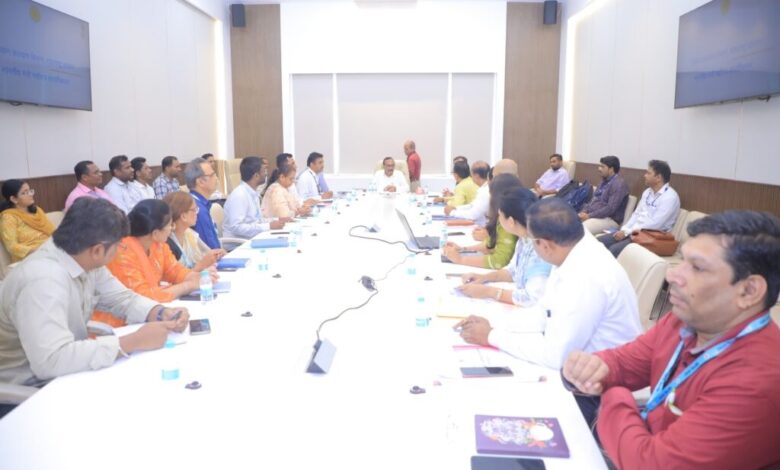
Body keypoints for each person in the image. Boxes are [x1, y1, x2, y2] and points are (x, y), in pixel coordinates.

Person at [562, 210, 780, 469]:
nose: (672, 276)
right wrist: (589, 367)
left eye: (697, 268)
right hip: (642, 438)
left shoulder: (757, 381)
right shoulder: (686, 321)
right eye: (683, 261)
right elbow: (626, 362)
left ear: (749, 291)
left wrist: (613, 396)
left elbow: (650, 464)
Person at [0, 197, 190, 389]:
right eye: (119, 246)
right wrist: (131, 342)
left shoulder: (81, 255)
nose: (119, 251)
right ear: (98, 250)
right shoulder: (43, 281)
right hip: (31, 388)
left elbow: (121, 298)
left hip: (69, 370)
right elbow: (50, 360)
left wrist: (159, 312)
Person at [456, 198, 641, 370]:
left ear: (545, 245)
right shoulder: (570, 248)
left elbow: (557, 356)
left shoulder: (585, 275)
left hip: (605, 378)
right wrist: (493, 323)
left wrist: (491, 336)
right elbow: (544, 312)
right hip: (582, 363)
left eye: (531, 241)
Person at [458, 188, 552, 307]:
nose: (499, 219)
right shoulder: (524, 239)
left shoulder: (540, 248)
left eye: (500, 216)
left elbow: (532, 298)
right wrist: (484, 277)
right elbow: (512, 271)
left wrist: (489, 292)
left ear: (511, 221)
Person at [106, 199, 214, 303]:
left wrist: (199, 277)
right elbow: (143, 297)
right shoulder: (123, 252)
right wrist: (188, 286)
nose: (172, 228)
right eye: (169, 225)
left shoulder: (158, 244)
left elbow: (175, 271)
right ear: (155, 233)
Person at [598, 160, 681, 257]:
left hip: (651, 237)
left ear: (658, 178)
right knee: (600, 242)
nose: (644, 175)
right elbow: (636, 214)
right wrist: (624, 230)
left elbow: (655, 224)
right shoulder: (647, 192)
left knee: (614, 250)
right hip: (634, 232)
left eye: (648, 173)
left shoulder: (670, 197)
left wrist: (627, 232)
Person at [442, 173, 522, 269]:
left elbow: (499, 261)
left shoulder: (508, 221)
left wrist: (460, 259)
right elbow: (489, 245)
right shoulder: (503, 215)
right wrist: (462, 249)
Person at [223, 156, 287, 239]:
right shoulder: (239, 195)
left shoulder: (253, 193)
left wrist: (278, 220)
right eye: (263, 171)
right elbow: (236, 227)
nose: (266, 174)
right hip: (239, 243)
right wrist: (268, 226)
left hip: (253, 238)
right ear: (256, 175)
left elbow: (258, 220)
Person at [163, 191, 225, 271]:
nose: (197, 213)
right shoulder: (166, 242)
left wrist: (216, 254)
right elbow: (176, 277)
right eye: (194, 210)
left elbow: (207, 252)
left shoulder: (189, 233)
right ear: (183, 216)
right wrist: (202, 265)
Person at [0, 180, 55, 262]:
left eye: (30, 191)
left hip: (50, 250)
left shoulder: (37, 210)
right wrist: (40, 250)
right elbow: (12, 247)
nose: (30, 194)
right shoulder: (8, 218)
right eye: (24, 193)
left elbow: (53, 231)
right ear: (14, 199)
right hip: (29, 258)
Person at [579, 155, 630, 234]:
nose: (599, 169)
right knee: (570, 222)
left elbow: (610, 209)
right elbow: (594, 200)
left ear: (611, 169)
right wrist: (584, 211)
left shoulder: (619, 184)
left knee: (581, 230)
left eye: (602, 167)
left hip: (609, 219)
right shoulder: (603, 181)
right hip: (595, 215)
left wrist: (589, 216)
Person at [184, 157, 221, 249]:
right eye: (212, 175)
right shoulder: (197, 209)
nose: (216, 178)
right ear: (200, 182)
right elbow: (211, 249)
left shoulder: (197, 202)